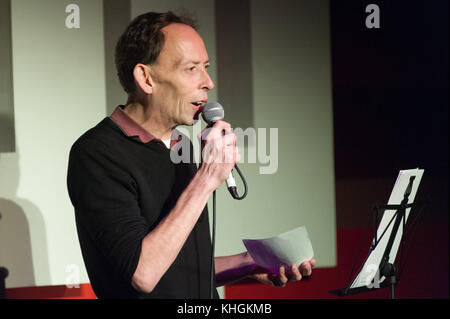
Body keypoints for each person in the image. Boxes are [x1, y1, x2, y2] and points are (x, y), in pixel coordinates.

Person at [67, 11, 315, 299]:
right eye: (191, 69)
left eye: (206, 67)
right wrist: (206, 179)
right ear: (146, 78)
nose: (208, 82)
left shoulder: (178, 146)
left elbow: (177, 268)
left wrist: (249, 263)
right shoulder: (97, 153)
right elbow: (143, 274)